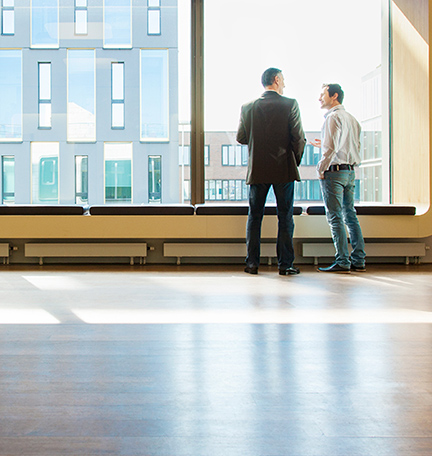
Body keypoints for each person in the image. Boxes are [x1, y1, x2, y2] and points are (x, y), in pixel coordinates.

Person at [236, 68, 306, 275]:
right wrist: (295, 162)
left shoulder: (248, 107)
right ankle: (285, 265)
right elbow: (299, 138)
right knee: (285, 217)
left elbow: (241, 137)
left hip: (257, 169)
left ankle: (252, 264)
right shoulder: (290, 104)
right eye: (283, 80)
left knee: (254, 217)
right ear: (276, 80)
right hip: (283, 169)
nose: (284, 84)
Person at [311, 83, 366, 273]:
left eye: (322, 94)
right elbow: (351, 147)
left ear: (334, 96)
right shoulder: (352, 119)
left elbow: (332, 148)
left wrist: (320, 169)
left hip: (334, 173)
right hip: (350, 171)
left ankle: (342, 260)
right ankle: (358, 259)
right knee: (350, 215)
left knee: (335, 217)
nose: (319, 98)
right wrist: (325, 147)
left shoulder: (332, 117)